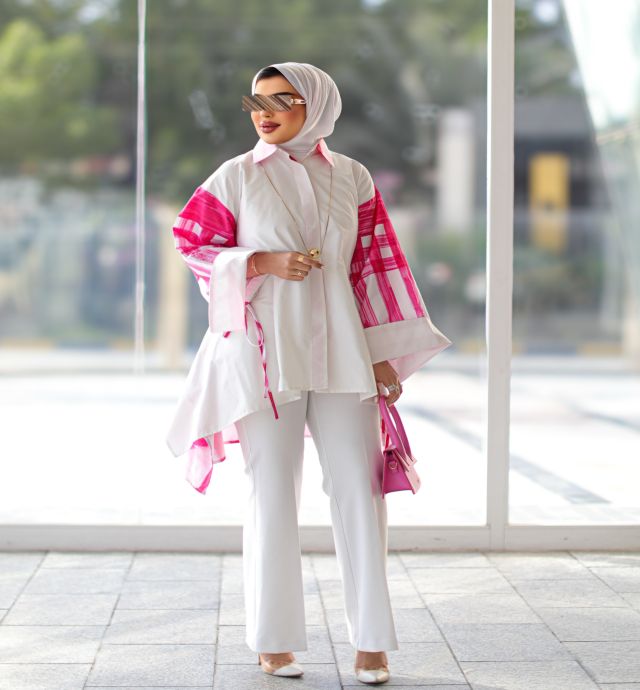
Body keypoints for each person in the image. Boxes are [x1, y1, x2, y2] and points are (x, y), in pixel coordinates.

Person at [165, 61, 452, 684]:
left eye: (281, 100)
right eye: (256, 102)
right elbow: (191, 241)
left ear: (316, 104)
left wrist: (382, 352)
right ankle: (273, 641)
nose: (264, 113)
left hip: (345, 350)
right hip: (265, 354)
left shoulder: (352, 176)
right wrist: (260, 261)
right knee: (271, 493)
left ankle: (371, 642)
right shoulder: (236, 176)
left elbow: (374, 266)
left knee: (361, 492)